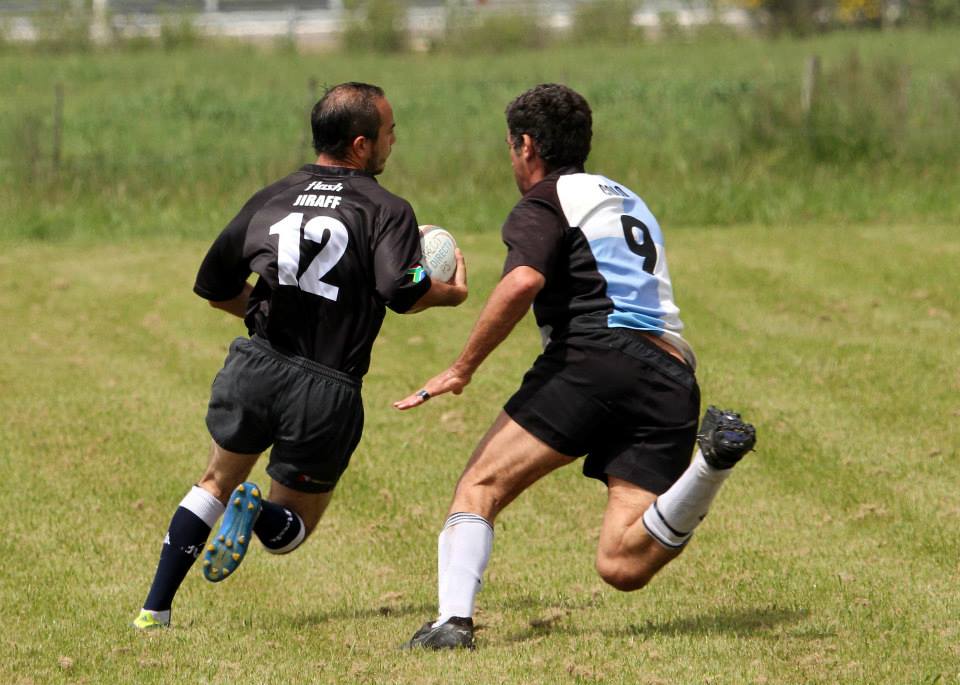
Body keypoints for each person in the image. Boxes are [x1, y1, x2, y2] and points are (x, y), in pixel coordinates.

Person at [394, 83, 756, 650]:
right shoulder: (629, 199)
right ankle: (711, 463)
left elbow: (523, 280)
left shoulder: (544, 199)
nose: (511, 158)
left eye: (511, 147)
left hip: (595, 356)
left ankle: (451, 625)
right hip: (672, 374)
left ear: (527, 146)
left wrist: (462, 367)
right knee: (622, 563)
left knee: (479, 485)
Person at [133, 82, 468, 630]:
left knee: (214, 481)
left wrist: (262, 312)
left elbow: (214, 283)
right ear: (361, 145)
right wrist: (435, 278)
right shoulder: (387, 209)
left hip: (256, 364)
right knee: (291, 528)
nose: (393, 141)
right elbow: (401, 288)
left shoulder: (272, 194)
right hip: (326, 386)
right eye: (389, 132)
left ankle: (155, 609)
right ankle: (258, 511)